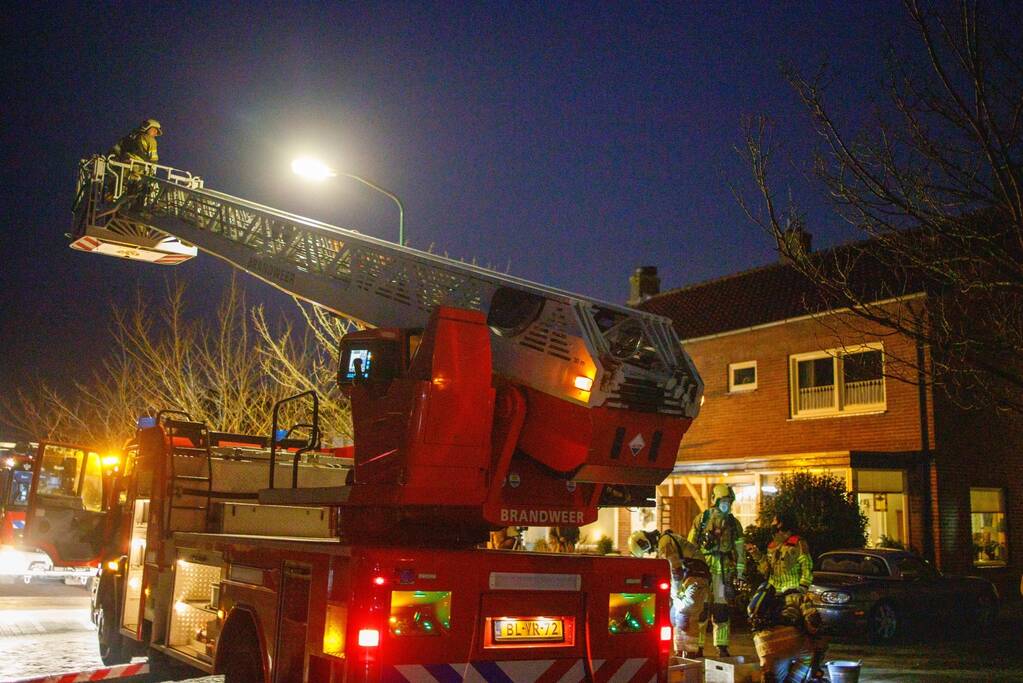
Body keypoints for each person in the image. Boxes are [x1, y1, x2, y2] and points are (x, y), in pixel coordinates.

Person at [748, 512, 826, 680]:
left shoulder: (798, 543)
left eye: (776, 524)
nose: (773, 528)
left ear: (784, 526)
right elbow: (765, 570)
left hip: (793, 591)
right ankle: (809, 669)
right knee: (813, 633)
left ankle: (812, 668)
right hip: (775, 592)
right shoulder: (772, 546)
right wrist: (757, 556)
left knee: (812, 627)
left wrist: (802, 588)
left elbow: (807, 566)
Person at [629, 528, 710, 658]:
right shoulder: (664, 541)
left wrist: (675, 594)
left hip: (695, 578)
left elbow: (676, 571)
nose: (650, 552)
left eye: (648, 550)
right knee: (677, 616)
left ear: (645, 543)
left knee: (689, 614)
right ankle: (680, 652)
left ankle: (690, 653)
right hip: (690, 579)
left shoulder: (664, 543)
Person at [688, 484, 746, 658]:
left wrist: (740, 572)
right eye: (723, 501)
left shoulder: (734, 524)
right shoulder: (702, 519)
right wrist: (690, 569)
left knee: (721, 609)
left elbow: (740, 550)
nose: (726, 504)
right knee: (702, 609)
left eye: (729, 501)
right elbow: (691, 545)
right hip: (703, 570)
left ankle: (721, 646)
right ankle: (697, 647)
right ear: (715, 500)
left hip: (723, 571)